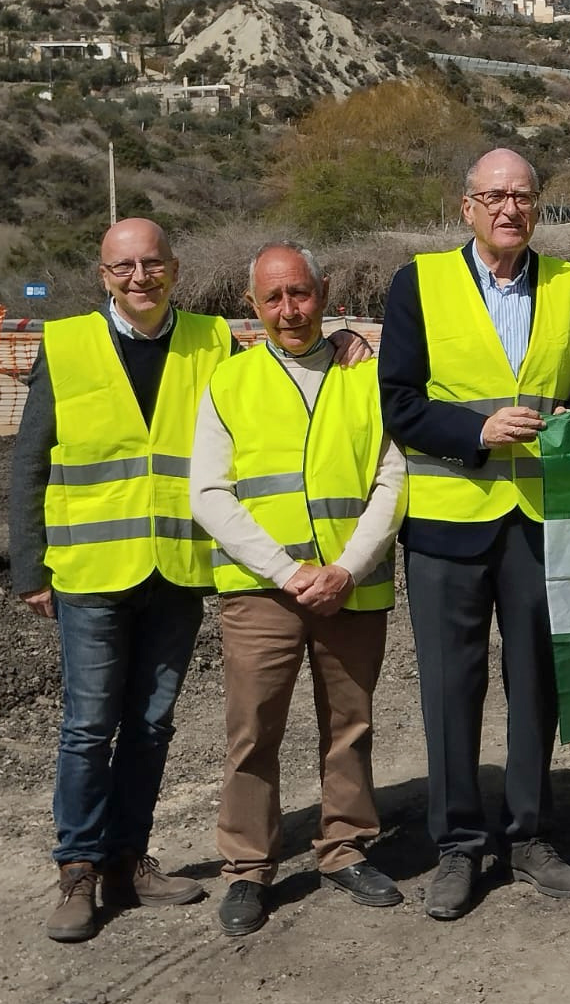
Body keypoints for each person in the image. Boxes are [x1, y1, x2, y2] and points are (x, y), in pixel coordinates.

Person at [380, 148, 570, 919]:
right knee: (450, 688)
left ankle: (532, 834)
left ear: (539, 206)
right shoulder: (419, 282)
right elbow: (399, 403)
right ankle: (459, 845)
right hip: (449, 520)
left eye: (522, 195)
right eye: (493, 196)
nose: (509, 207)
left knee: (537, 681)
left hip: (540, 520)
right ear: (465, 206)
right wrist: (476, 429)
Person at [8, 218, 226, 942]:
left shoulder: (213, 340)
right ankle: (77, 867)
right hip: (92, 569)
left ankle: (128, 859)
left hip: (177, 566)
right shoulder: (66, 344)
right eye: (124, 267)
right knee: (86, 724)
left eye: (152, 263)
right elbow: (30, 460)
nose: (140, 277)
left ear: (175, 268)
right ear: (104, 276)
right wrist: (28, 565)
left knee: (152, 723)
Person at [190, 243, 407, 936]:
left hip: (352, 586)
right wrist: (287, 571)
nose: (290, 310)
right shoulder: (231, 381)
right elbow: (209, 492)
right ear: (252, 304)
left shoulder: (367, 376)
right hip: (261, 591)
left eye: (301, 293)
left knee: (351, 726)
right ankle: (249, 868)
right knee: (252, 730)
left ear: (325, 290)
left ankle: (344, 847)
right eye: (274, 297)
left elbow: (392, 479)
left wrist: (345, 565)